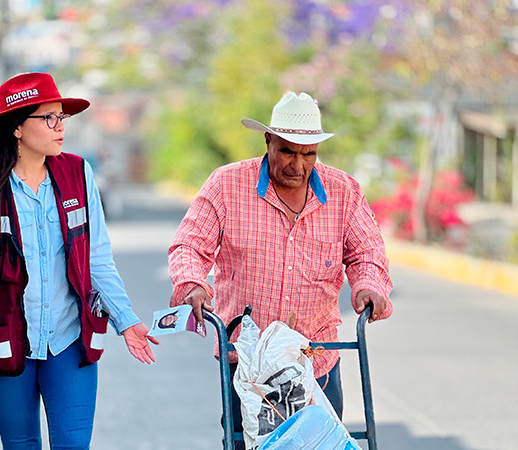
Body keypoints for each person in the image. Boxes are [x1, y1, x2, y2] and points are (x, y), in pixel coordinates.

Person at [0, 72, 158, 449]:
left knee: (73, 445)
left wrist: (127, 321)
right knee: (21, 444)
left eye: (63, 118)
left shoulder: (79, 175)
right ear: (18, 128)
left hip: (68, 341)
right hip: (4, 343)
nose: (61, 128)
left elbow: (97, 260)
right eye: (50, 118)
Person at [168, 92, 393, 449]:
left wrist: (369, 285)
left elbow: (367, 251)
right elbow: (189, 246)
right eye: (288, 151)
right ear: (268, 141)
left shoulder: (343, 191)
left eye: (309, 154)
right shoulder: (226, 184)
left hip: (315, 356)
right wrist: (192, 283)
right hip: (249, 362)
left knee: (320, 444)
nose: (298, 165)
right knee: (249, 443)